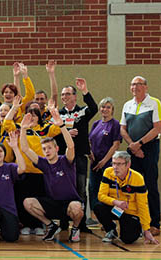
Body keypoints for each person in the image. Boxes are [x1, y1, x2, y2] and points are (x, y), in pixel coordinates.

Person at [19, 113, 84, 242]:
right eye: (44, 149)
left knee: (77, 208)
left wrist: (62, 125)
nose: (47, 151)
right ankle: (51, 225)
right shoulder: (43, 163)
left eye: (49, 148)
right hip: (52, 203)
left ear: (56, 148)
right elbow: (25, 149)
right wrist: (23, 129)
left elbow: (71, 146)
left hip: (70, 203)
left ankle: (75, 228)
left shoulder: (66, 161)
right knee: (28, 202)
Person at [119, 76, 161, 236]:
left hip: (149, 148)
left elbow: (157, 128)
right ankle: (133, 222)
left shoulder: (154, 103)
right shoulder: (127, 105)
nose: (135, 87)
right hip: (132, 149)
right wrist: (133, 145)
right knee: (131, 186)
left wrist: (140, 144)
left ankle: (154, 223)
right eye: (132, 84)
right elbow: (122, 128)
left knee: (150, 185)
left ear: (146, 87)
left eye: (138, 84)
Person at [95, 151, 160, 245]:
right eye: (113, 163)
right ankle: (111, 230)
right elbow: (101, 196)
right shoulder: (108, 172)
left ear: (128, 164)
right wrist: (115, 202)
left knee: (128, 240)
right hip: (115, 208)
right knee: (98, 207)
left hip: (130, 212)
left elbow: (143, 205)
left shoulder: (137, 178)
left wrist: (146, 229)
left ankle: (139, 229)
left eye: (119, 164)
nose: (115, 167)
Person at [55, 78, 98, 217]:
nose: (64, 97)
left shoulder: (82, 112)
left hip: (80, 157)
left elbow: (94, 108)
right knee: (63, 189)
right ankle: (63, 221)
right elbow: (53, 136)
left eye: (67, 94)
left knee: (81, 189)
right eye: (62, 94)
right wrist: (66, 133)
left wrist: (84, 90)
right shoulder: (58, 114)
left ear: (74, 96)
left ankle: (81, 221)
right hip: (63, 158)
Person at [87, 97, 121, 225]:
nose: (104, 109)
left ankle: (111, 220)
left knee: (109, 193)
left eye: (108, 107)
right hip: (94, 164)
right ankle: (100, 218)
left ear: (112, 110)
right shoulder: (96, 123)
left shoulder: (115, 124)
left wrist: (104, 161)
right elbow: (89, 141)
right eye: (102, 107)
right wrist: (90, 153)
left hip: (107, 165)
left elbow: (116, 145)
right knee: (94, 190)